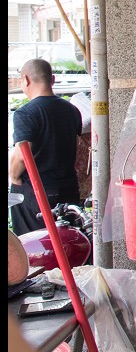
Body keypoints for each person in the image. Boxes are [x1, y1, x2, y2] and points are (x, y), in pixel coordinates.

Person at [8, 59, 84, 235]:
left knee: (36, 246)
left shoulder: (26, 113)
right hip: (68, 189)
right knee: (68, 243)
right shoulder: (72, 110)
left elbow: (22, 154)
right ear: (53, 79)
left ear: (26, 80)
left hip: (37, 192)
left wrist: (14, 177)